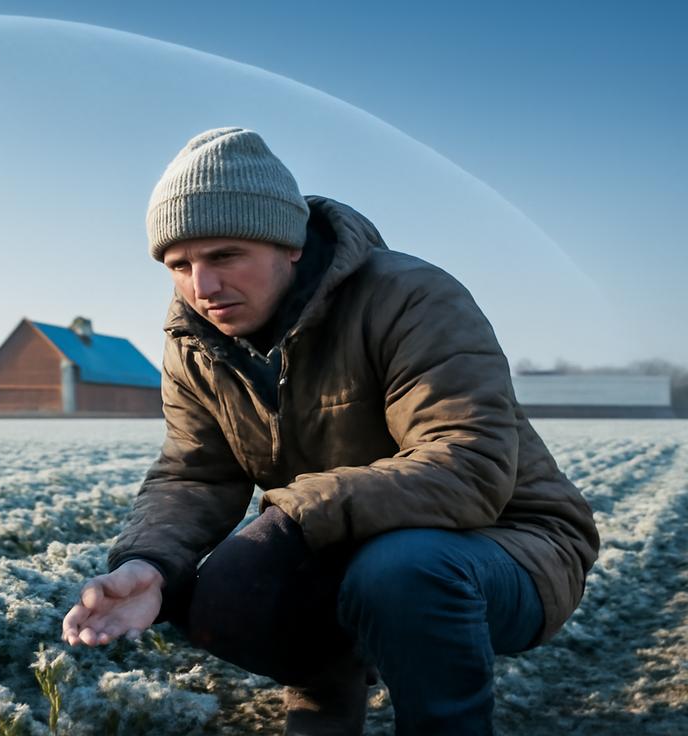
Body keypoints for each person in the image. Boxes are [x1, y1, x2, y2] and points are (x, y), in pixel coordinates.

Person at [61, 128, 599, 735]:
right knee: (203, 595)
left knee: (399, 571)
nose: (203, 288)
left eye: (225, 256)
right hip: (344, 545)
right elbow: (197, 472)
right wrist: (149, 562)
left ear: (289, 245)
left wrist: (290, 520)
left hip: (506, 545)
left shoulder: (410, 298)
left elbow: (468, 466)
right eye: (180, 265)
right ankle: (327, 688)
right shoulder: (196, 345)